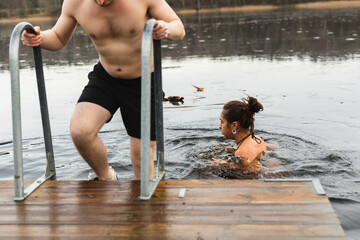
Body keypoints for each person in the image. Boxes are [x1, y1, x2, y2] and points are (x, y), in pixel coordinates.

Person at [21, 0, 185, 180]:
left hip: (144, 80)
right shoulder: (75, 3)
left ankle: (143, 203)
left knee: (140, 156)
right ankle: (107, 178)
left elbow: (179, 28)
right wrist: (39, 37)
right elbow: (58, 38)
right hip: (105, 78)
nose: (100, 2)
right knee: (80, 132)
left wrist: (166, 29)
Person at [217, 96, 266, 172]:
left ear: (234, 125)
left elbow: (250, 175)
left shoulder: (241, 152)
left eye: (222, 122)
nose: (220, 126)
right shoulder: (257, 139)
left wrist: (218, 164)